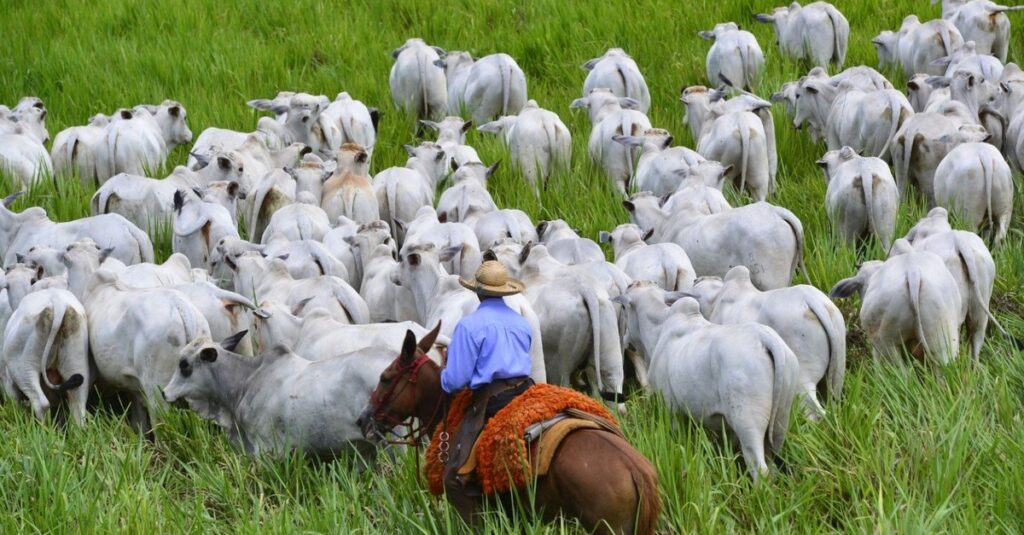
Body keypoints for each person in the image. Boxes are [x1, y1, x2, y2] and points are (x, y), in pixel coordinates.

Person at [441, 260, 535, 522]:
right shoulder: (521, 322)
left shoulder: (469, 326)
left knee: (454, 476)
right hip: (526, 391)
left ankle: (478, 525)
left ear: (477, 292)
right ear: (505, 291)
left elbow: (456, 380)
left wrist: (443, 378)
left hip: (492, 400)